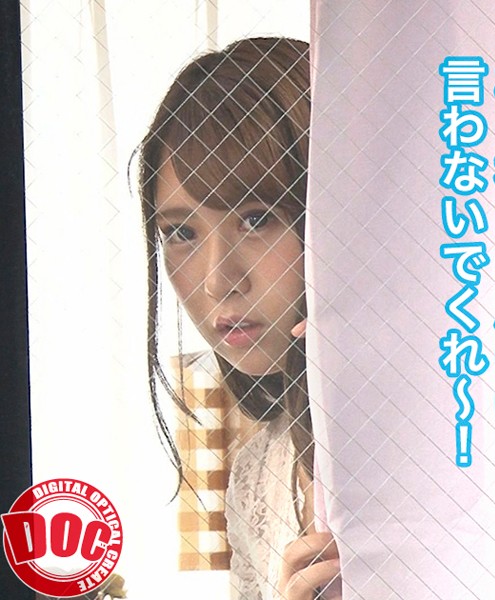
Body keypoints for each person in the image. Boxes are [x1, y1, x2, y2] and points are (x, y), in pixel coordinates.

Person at [136, 37, 340, 600]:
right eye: (180, 232)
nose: (217, 279)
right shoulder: (258, 475)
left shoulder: (462, 435)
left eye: (256, 218)